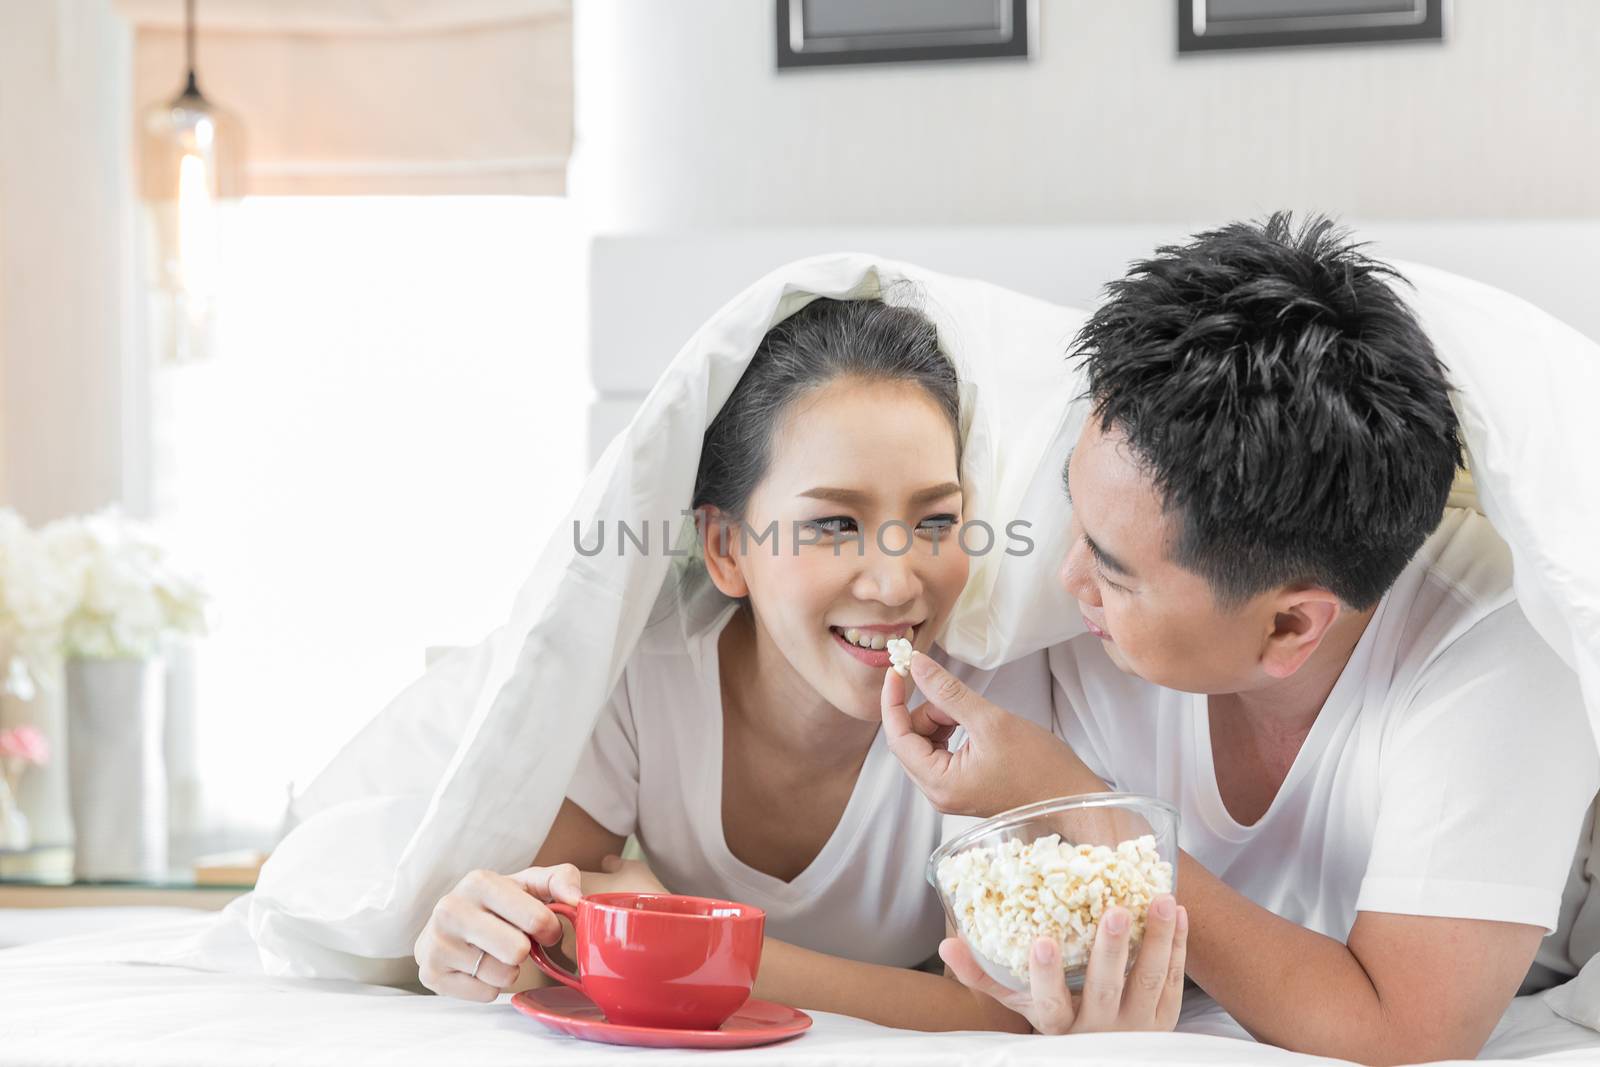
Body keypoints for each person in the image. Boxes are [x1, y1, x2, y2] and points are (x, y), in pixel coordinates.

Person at [882, 213, 1600, 1063]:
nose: (1066, 576)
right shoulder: (1082, 611)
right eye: (1072, 516)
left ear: (1290, 623)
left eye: (1112, 571)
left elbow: (1405, 1032)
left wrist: (1086, 809)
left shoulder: (1496, 649)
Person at [412, 295, 1187, 1032]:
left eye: (937, 518)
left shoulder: (986, 692)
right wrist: (475, 943)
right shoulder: (641, 684)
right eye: (835, 523)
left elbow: (996, 1008)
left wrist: (695, 945)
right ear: (724, 548)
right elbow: (556, 943)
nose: (895, 581)